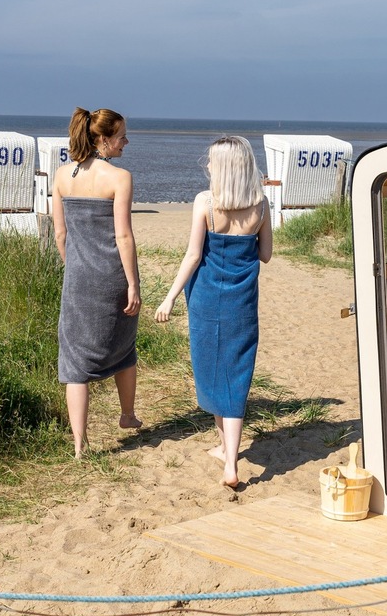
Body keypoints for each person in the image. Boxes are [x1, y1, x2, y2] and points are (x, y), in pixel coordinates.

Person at [155, 136, 272, 488]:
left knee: (211, 369)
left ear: (221, 168)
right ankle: (227, 454)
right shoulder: (261, 205)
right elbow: (265, 255)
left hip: (206, 299)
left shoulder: (205, 203)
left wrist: (170, 296)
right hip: (241, 301)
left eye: (210, 161)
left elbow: (193, 256)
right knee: (235, 373)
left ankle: (230, 460)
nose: (206, 165)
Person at [52, 107, 142, 458]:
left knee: (74, 361)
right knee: (123, 345)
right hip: (113, 277)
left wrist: (74, 266)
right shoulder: (119, 178)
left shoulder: (61, 176)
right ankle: (127, 415)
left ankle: (79, 444)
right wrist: (132, 283)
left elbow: (60, 233)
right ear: (103, 139)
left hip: (78, 278)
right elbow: (123, 236)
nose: (126, 141)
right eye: (121, 136)